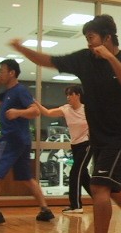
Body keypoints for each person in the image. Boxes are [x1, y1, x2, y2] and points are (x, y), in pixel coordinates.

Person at [9, 14, 121, 233]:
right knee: (112, 187)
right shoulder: (83, 59)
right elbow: (49, 60)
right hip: (98, 134)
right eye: (87, 39)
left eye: (91, 38)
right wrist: (22, 49)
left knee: (99, 185)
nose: (88, 43)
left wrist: (110, 58)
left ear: (107, 38)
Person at [0, 59, 55, 225]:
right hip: (22, 141)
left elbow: (35, 111)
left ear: (12, 73)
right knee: (26, 177)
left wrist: (18, 112)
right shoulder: (7, 93)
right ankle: (45, 210)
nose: (0, 74)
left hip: (11, 139)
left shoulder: (20, 90)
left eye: (2, 71)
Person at [34, 84, 93, 214]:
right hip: (75, 145)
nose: (68, 97)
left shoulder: (87, 109)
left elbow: (99, 124)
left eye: (70, 94)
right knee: (83, 175)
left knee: (75, 173)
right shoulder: (65, 109)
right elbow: (47, 112)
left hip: (87, 144)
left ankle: (76, 205)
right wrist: (36, 103)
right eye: (67, 95)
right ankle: (99, 199)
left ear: (78, 95)